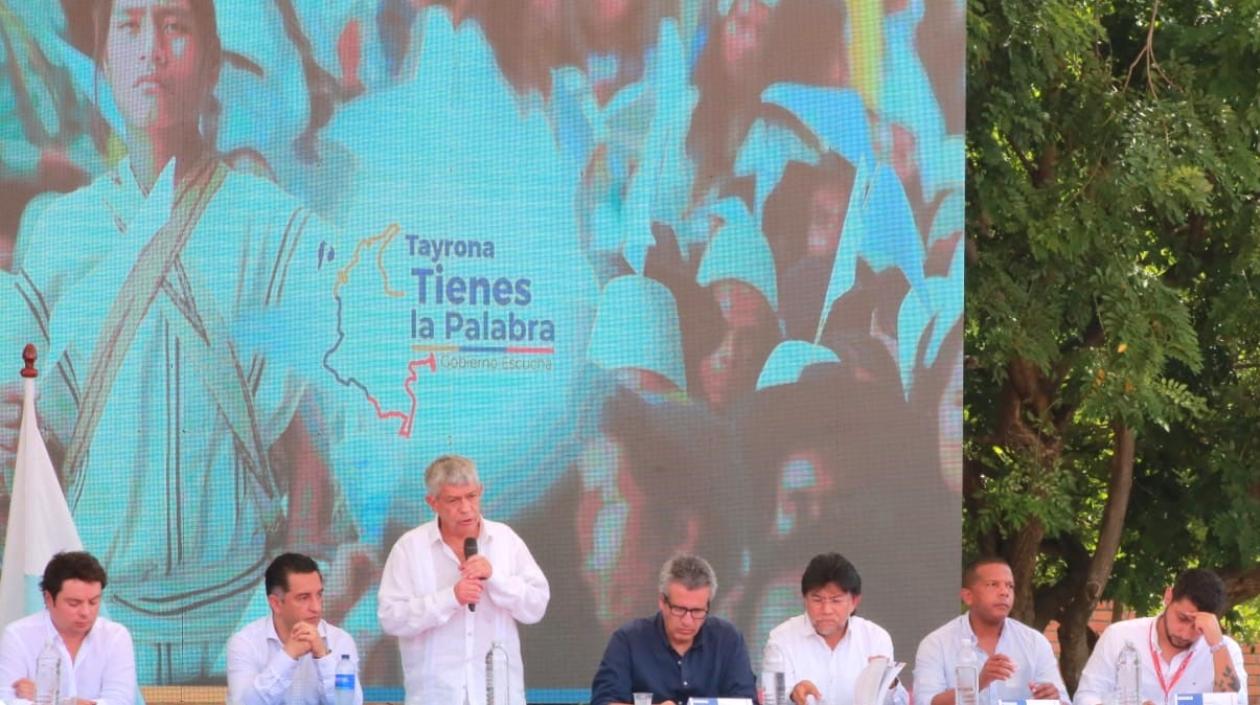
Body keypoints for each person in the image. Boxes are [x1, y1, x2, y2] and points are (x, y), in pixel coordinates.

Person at [6, 0, 348, 682]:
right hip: (98, 630)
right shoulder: (57, 238)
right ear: (103, 64)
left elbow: (315, 472)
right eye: (129, 28)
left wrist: (284, 634)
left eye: (176, 27)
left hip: (244, 623)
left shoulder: (277, 233)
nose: (153, 50)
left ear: (213, 62)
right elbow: (28, 457)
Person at [377, 454, 550, 705]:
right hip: (435, 696)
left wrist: (495, 578)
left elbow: (536, 606)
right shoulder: (409, 548)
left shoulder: (506, 540)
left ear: (481, 491)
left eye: (471, 496)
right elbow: (391, 618)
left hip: (498, 695)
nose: (466, 508)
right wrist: (450, 598)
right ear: (432, 502)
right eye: (453, 500)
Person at [590, 553, 757, 705]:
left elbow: (746, 700)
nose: (687, 621)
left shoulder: (728, 639)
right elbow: (603, 701)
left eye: (697, 611)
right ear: (662, 602)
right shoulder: (628, 640)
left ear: (708, 605)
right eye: (679, 609)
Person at [1074, 568, 1247, 705]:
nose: (1185, 633)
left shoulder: (1225, 650)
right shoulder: (1119, 636)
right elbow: (1086, 697)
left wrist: (1217, 645)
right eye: (1182, 618)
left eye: (1199, 627)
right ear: (1168, 596)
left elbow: (1234, 702)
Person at [914, 558, 1068, 705]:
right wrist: (978, 684)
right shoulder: (936, 644)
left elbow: (1063, 701)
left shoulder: (1035, 642)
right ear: (968, 596)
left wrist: (1052, 699)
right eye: (993, 584)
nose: (1004, 592)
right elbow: (926, 702)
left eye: (1010, 586)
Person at [763, 553, 908, 705]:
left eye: (835, 600)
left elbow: (899, 703)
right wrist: (792, 696)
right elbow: (772, 701)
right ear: (804, 599)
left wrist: (889, 684)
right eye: (817, 599)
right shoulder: (781, 639)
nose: (826, 610)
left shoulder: (876, 638)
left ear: (854, 602)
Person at [0, 552, 136, 705]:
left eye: (93, 602)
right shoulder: (18, 635)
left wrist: (46, 698)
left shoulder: (115, 636)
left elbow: (120, 701)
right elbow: (7, 700)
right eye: (74, 603)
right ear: (49, 599)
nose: (86, 612)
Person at [226, 553, 362, 705]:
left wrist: (323, 657)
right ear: (276, 603)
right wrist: (288, 655)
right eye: (304, 597)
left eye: (318, 595)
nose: (316, 607)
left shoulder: (340, 641)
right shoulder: (245, 642)